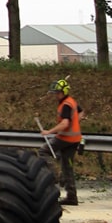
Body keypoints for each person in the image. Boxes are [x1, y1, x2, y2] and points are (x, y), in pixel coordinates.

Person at [41, 76, 84, 205]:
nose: (56, 95)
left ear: (64, 92)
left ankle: (54, 174)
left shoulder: (66, 105)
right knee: (67, 166)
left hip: (65, 138)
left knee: (43, 151)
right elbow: (81, 113)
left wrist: (49, 132)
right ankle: (72, 197)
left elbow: (65, 124)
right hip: (75, 139)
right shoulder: (72, 101)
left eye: (57, 93)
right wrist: (76, 121)